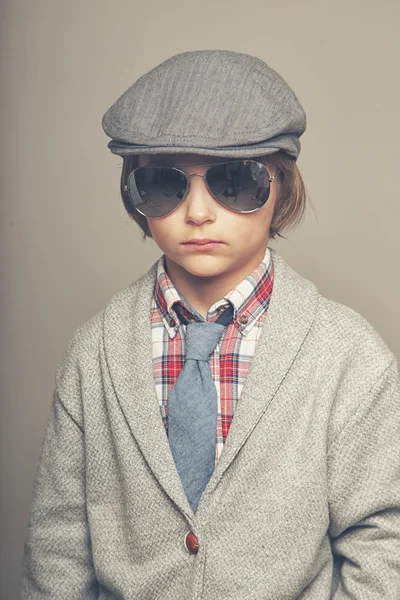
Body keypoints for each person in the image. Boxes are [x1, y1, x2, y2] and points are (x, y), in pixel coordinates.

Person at [21, 50, 400, 599]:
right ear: (133, 191)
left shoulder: (348, 355)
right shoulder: (94, 352)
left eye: (234, 180)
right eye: (163, 184)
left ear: (283, 185)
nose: (197, 212)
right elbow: (57, 545)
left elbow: (383, 541)